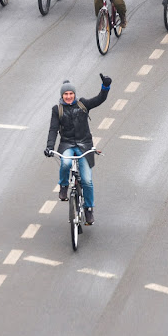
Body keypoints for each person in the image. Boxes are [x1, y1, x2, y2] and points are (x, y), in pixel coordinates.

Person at [45, 74, 112, 225]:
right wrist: (49, 147)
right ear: (62, 95)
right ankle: (63, 186)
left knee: (87, 181)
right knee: (66, 163)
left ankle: (89, 210)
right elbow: (53, 130)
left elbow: (99, 99)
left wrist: (105, 87)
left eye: (71, 94)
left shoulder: (82, 104)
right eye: (66, 94)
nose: (68, 96)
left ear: (74, 94)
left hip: (84, 145)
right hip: (67, 144)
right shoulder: (57, 110)